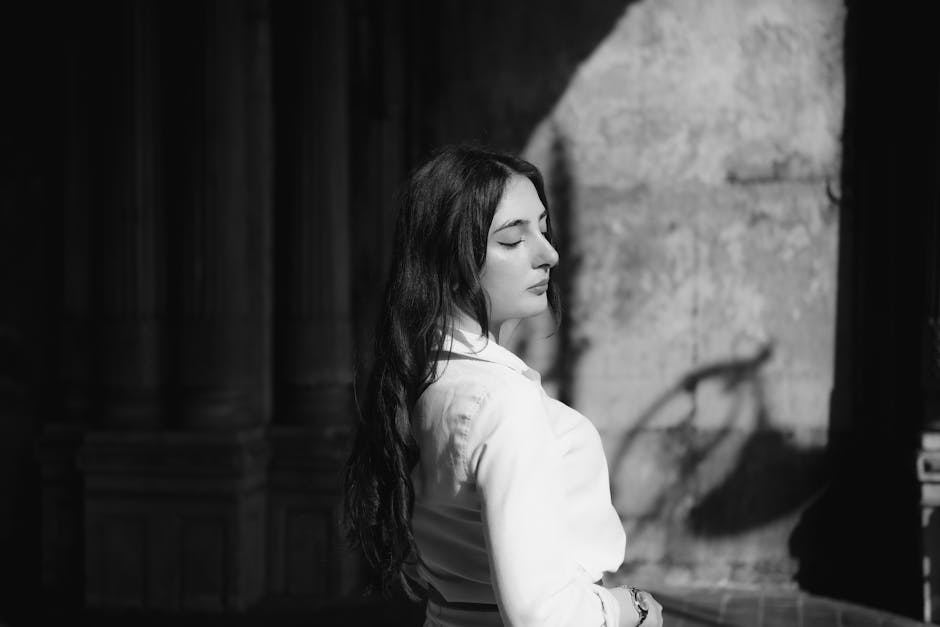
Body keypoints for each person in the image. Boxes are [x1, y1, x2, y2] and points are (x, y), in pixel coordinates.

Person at [344, 145, 664, 627]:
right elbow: (544, 615)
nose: (548, 254)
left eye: (543, 228)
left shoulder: (426, 377)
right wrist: (629, 609)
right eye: (513, 241)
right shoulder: (500, 402)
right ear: (450, 262)